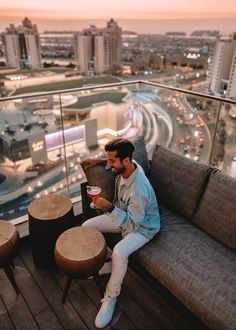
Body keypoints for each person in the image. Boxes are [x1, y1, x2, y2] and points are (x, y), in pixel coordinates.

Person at [81, 138, 160, 328]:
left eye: (111, 162)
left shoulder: (138, 190)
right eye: (108, 161)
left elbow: (132, 226)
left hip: (143, 227)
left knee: (120, 252)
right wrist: (99, 161)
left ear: (125, 161)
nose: (109, 166)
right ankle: (107, 263)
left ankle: (110, 298)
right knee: (86, 226)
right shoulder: (128, 165)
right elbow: (114, 161)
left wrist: (108, 207)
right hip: (124, 214)